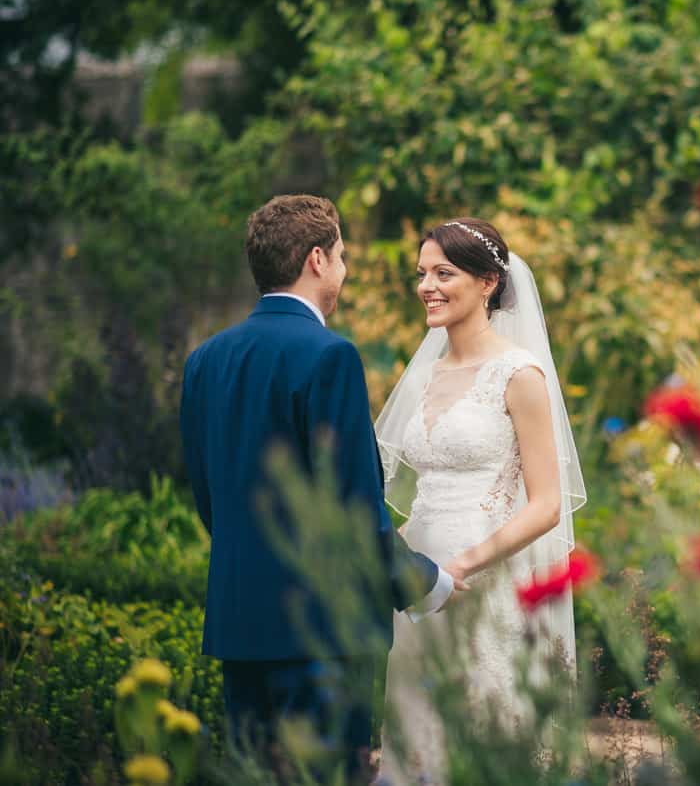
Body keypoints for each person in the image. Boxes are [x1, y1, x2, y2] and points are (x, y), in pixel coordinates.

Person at [179, 194, 466, 781]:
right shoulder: (329, 356)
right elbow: (353, 510)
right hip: (324, 637)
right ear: (316, 259)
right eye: (341, 256)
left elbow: (210, 500)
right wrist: (423, 581)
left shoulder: (205, 360)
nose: (344, 269)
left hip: (239, 626)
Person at [373, 218, 586, 783]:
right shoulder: (427, 374)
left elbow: (546, 504)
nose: (427, 286)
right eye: (422, 274)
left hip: (485, 578)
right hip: (422, 577)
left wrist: (463, 563)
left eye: (444, 273)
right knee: (418, 728)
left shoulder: (519, 374)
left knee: (483, 727)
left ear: (489, 281)